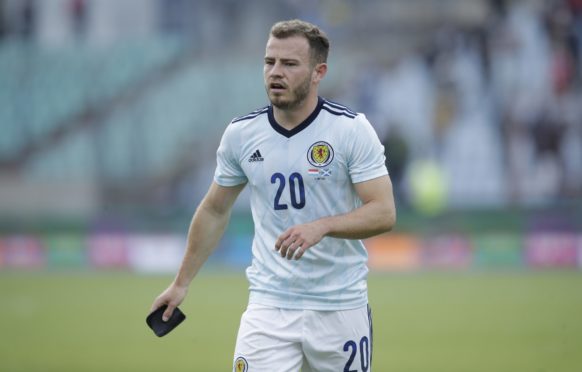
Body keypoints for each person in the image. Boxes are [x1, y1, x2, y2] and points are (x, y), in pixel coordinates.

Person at [150, 19, 396, 372]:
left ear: (318, 72)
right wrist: (180, 283)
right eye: (270, 62)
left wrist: (322, 227)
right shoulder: (241, 134)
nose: (275, 72)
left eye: (290, 64)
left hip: (340, 307)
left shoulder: (350, 130)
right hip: (269, 307)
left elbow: (384, 212)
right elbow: (215, 210)